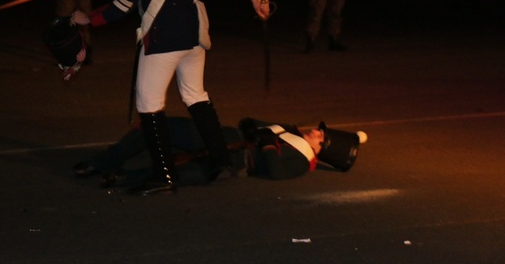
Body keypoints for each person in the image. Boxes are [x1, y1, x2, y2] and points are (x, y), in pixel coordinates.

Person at [73, 0, 270, 195]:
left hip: (164, 38)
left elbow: (122, 6)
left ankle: (164, 175)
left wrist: (87, 19)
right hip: (195, 34)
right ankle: (221, 162)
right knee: (196, 95)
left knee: (149, 103)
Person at [71, 117, 365, 189]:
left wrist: (264, 142)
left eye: (320, 135)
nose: (315, 130)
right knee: (158, 126)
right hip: (226, 137)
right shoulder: (290, 128)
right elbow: (248, 123)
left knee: (178, 174)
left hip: (235, 161)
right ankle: (100, 163)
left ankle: (121, 176)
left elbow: (274, 170)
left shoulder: (302, 162)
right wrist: (258, 131)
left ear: (320, 148)